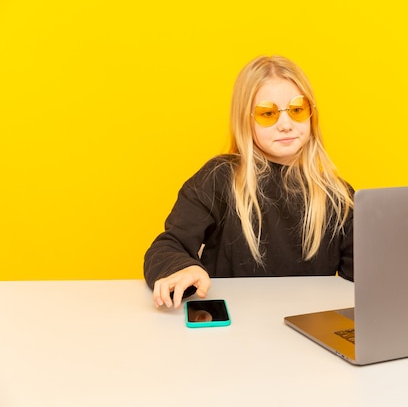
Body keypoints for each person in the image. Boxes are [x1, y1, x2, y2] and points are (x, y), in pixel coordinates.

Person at [144, 55, 354, 309]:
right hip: (236, 332)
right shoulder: (219, 178)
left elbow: (360, 274)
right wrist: (183, 268)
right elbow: (167, 246)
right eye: (268, 113)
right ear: (246, 120)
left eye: (297, 110)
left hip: (308, 330)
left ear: (312, 114)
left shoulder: (338, 195)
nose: (286, 125)